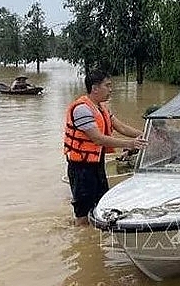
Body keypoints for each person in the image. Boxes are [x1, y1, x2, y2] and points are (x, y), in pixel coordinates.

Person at [63, 69, 148, 226]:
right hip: (81, 167)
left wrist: (146, 135)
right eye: (107, 85)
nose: (111, 89)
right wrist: (130, 144)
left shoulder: (102, 108)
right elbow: (98, 139)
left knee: (101, 205)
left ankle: (93, 240)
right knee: (83, 214)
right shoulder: (82, 109)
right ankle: (81, 240)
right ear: (95, 88)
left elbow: (121, 127)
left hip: (97, 164)